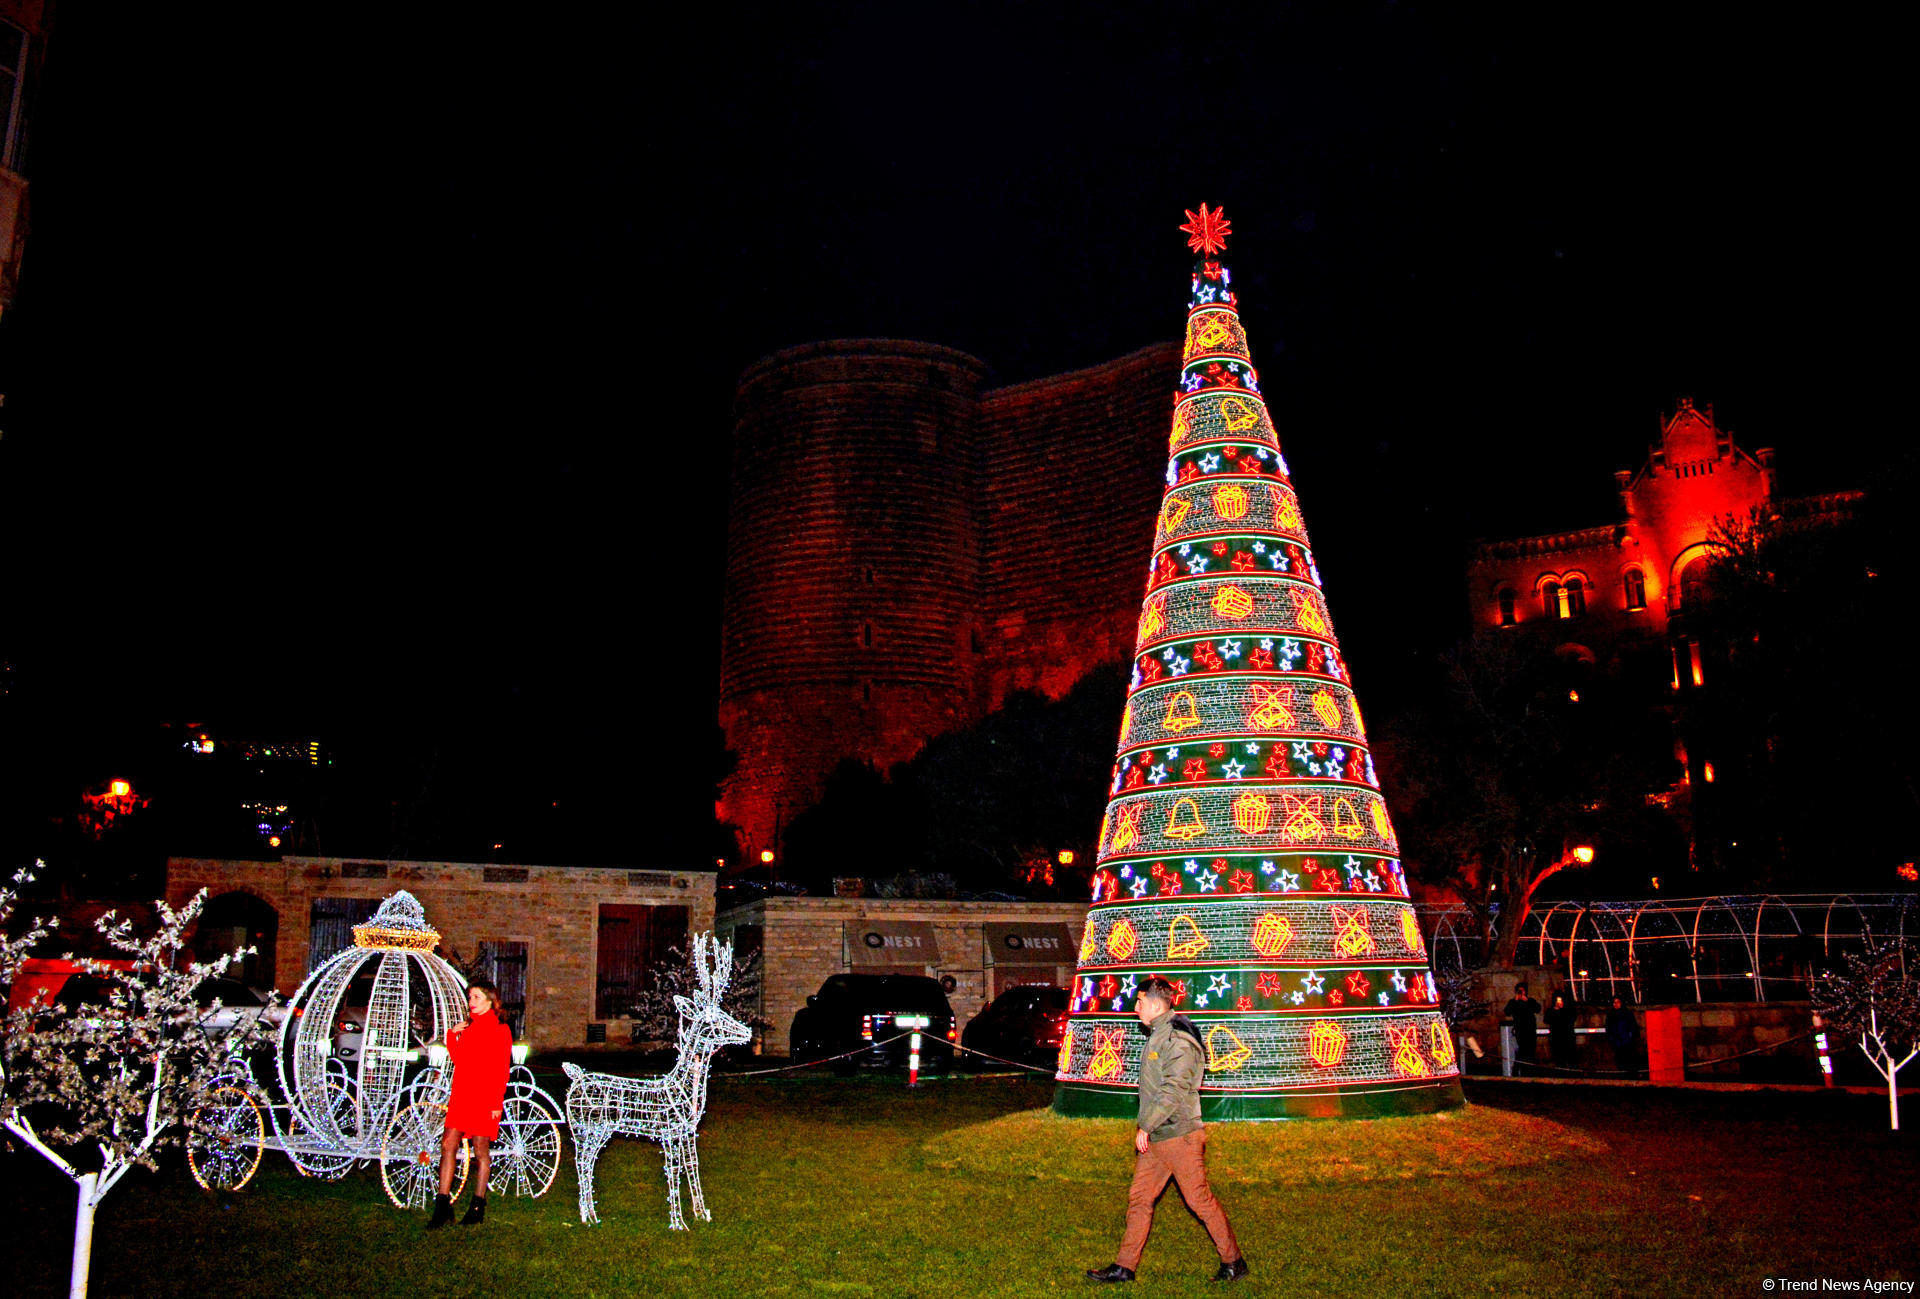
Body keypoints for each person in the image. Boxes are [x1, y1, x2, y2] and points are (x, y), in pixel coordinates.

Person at [1086, 976, 1248, 1284]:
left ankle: (1233, 1261)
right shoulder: (1160, 1034)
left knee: (1199, 1201)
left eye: (1139, 1002)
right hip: (1159, 1138)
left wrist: (1146, 1125)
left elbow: (1174, 1091)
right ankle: (1124, 1267)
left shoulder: (1177, 1040)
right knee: (1139, 1198)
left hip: (1179, 1137)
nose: (1135, 1008)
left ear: (1154, 1004)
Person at [427, 980, 513, 1229]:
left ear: (490, 1001)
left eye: (476, 997)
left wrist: (496, 1101)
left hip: (484, 1096)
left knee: (480, 1150)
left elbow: (501, 1069)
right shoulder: (470, 1028)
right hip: (463, 1093)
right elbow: (459, 1059)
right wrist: (452, 1035)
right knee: (448, 1144)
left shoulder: (500, 1030)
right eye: (470, 998)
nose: (471, 1002)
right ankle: (442, 1205)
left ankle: (477, 1205)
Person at [1502, 982, 1540, 1075]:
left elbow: (1537, 1008)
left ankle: (1529, 1072)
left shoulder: (1530, 1001)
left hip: (1530, 1030)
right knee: (1522, 1051)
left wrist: (1527, 1001)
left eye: (1522, 991)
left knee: (1530, 1051)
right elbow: (1507, 1011)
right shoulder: (1513, 1002)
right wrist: (1515, 1001)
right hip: (1520, 1031)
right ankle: (1518, 1071)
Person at [1605, 995, 1642, 1076]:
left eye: (1618, 1002)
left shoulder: (1627, 1013)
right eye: (1614, 1003)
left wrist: (1631, 1037)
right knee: (1619, 1060)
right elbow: (1608, 1028)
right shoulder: (1611, 1015)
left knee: (1629, 1059)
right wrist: (1612, 1039)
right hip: (1617, 1042)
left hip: (1627, 1041)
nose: (1616, 1004)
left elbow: (1633, 1026)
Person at [1545, 991, 1578, 1070]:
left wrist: (1562, 1009)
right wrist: (1555, 1010)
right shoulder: (1551, 1010)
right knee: (1559, 1059)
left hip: (1567, 1037)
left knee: (1571, 1058)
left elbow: (1572, 1018)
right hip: (1556, 1038)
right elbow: (1546, 1020)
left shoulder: (1569, 1010)